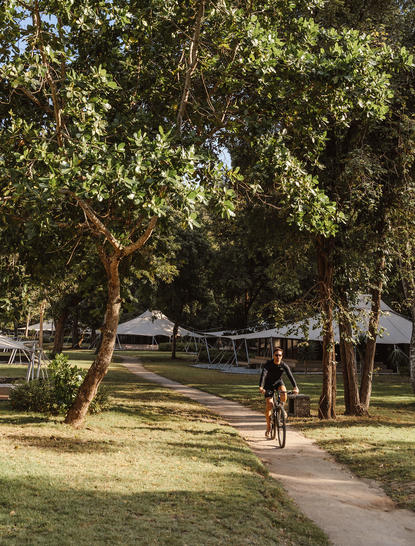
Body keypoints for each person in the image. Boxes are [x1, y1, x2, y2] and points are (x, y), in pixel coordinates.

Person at [259, 347, 299, 438]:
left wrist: (295, 387)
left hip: (278, 383)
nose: (278, 357)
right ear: (273, 355)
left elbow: (290, 375)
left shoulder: (283, 365)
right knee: (269, 404)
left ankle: (281, 409)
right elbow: (263, 374)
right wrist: (261, 387)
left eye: (280, 355)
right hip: (268, 385)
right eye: (276, 355)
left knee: (284, 393)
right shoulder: (268, 364)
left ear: (282, 356)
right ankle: (269, 427)